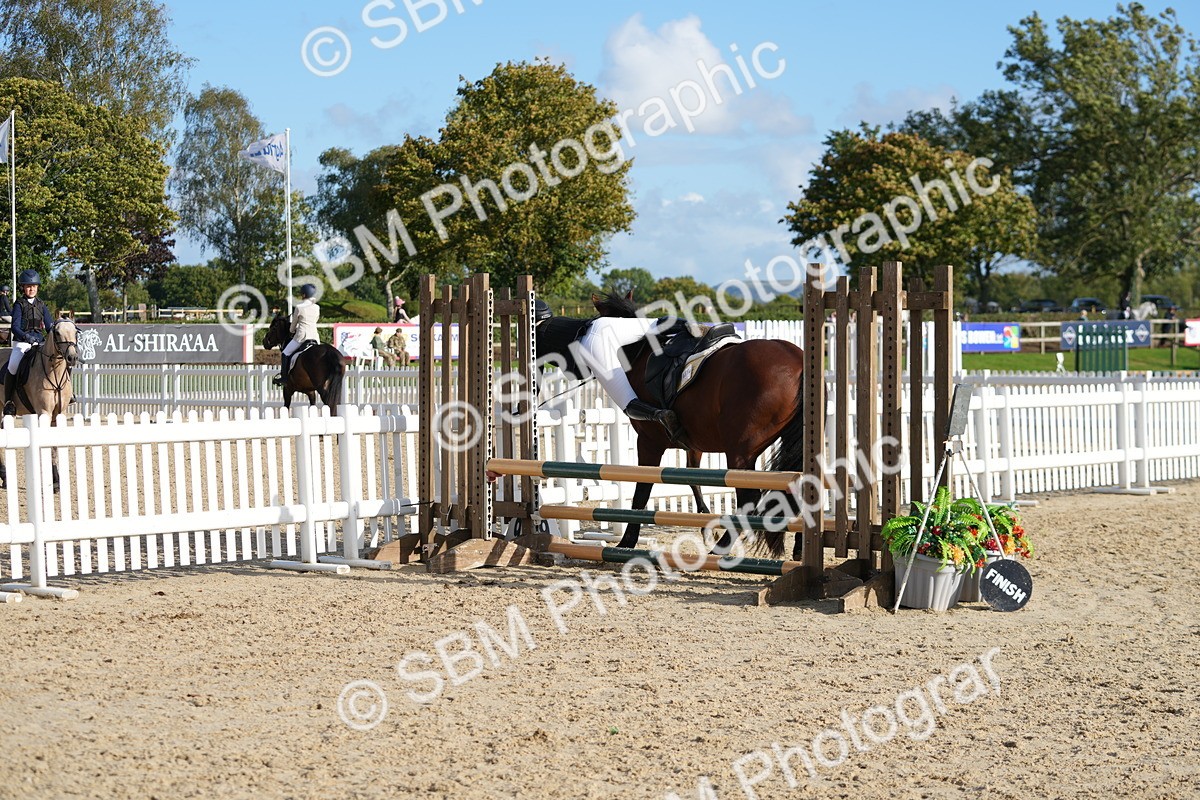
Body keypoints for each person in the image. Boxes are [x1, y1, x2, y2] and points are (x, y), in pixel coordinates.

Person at [534, 298, 683, 442]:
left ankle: (660, 415)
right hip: (602, 324)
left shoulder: (534, 337)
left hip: (591, 346)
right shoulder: (557, 320)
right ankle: (702, 327)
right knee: (658, 322)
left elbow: (535, 377)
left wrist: (530, 403)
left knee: (628, 404)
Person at [5, 269, 55, 416]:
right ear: (23, 287)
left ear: (37, 287)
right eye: (28, 286)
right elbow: (14, 327)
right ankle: (9, 402)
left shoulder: (41, 304)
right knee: (13, 365)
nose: (31, 289)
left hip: (39, 342)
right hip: (22, 343)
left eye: (33, 286)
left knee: (58, 359)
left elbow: (49, 325)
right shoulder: (19, 304)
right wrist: (26, 337)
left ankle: (66, 394)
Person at [274, 284, 320, 386]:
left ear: (303, 295)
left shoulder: (299, 307)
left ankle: (284, 378)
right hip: (315, 337)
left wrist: (291, 331)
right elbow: (315, 320)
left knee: (285, 353)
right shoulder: (317, 307)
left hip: (301, 337)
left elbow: (294, 323)